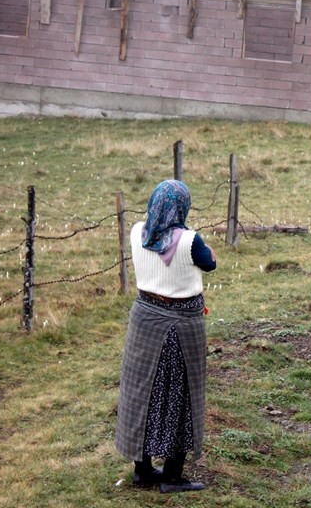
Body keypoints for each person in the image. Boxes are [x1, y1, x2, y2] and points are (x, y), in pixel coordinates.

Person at [115, 180, 217, 493]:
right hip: (181, 328)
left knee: (141, 393)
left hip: (144, 321)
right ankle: (172, 475)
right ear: (182, 207)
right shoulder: (189, 240)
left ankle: (142, 470)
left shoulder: (137, 232)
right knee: (178, 396)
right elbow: (209, 262)